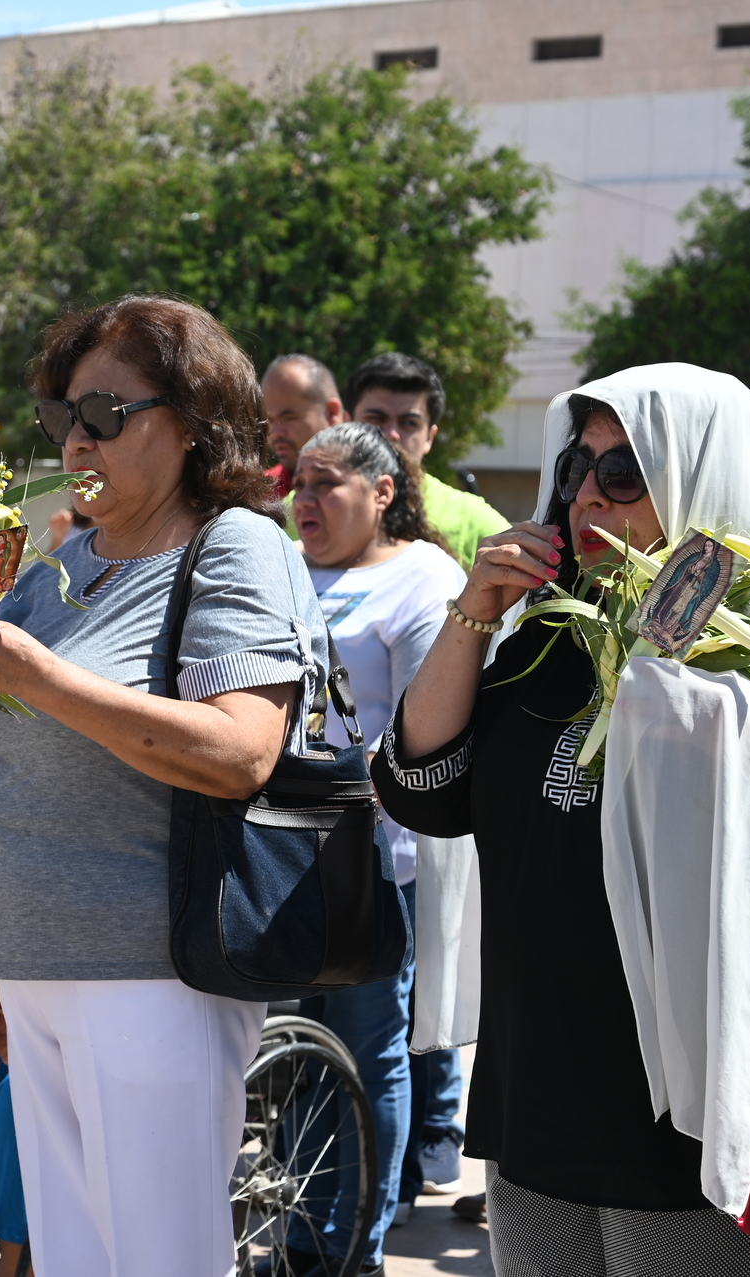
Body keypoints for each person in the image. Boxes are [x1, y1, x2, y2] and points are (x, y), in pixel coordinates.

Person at [378, 366, 750, 1276]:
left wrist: (719, 709)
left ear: (697, 479)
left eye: (624, 472)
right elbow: (422, 790)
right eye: (578, 468)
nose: (588, 495)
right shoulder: (547, 638)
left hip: (685, 1120)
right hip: (537, 1094)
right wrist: (473, 615)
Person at [0, 294, 327, 1275]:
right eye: (62, 417)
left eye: (103, 414)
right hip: (32, 962)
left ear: (188, 423)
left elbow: (241, 750)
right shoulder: (56, 560)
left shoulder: (231, 546)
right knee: (73, 1257)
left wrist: (32, 673)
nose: (75, 439)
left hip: (152, 969)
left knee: (159, 1258)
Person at [288, 421, 468, 1272]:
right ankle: (294, 1225)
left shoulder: (423, 578)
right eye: (299, 481)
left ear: (383, 491)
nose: (305, 499)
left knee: (367, 1049)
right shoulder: (279, 566)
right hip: (276, 860)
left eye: (327, 484)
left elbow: (429, 727)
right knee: (293, 1054)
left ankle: (354, 1237)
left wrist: (315, 772)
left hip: (372, 862)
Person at [345, 353, 507, 566]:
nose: (392, 434)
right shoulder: (305, 507)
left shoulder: (473, 522)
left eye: (409, 423)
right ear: (345, 424)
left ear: (429, 438)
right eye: (376, 419)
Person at [263, 353, 344, 497]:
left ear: (332, 413)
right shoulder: (264, 493)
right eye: (270, 420)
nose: (275, 432)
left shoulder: (370, 483)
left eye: (289, 418)